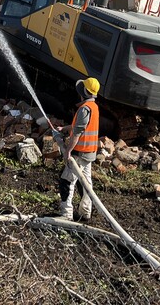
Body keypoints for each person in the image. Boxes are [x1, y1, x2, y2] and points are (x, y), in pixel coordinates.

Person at [56, 77, 100, 221]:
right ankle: (85, 212)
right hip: (89, 153)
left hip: (79, 154)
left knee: (67, 181)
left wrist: (68, 151)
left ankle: (66, 213)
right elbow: (78, 127)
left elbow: (78, 132)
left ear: (84, 92)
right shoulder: (94, 107)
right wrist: (64, 128)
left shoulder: (84, 109)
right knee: (85, 183)